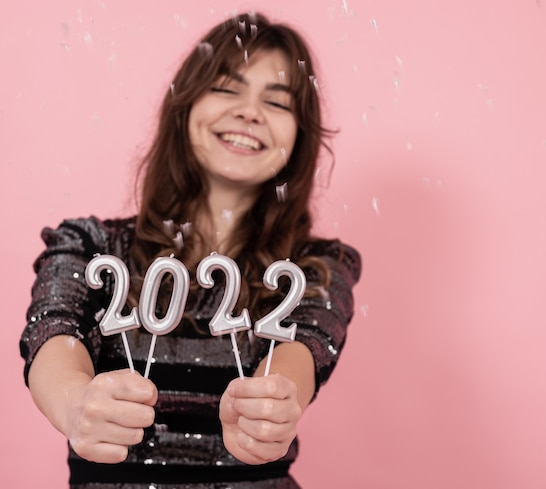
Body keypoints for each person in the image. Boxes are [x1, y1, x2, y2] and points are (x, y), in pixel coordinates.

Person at [19, 11, 361, 489]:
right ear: (185, 105)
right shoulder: (91, 246)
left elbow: (301, 352)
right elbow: (52, 334)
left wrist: (276, 404)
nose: (249, 111)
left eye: (278, 102)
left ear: (299, 136)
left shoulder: (317, 267)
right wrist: (76, 402)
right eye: (226, 87)